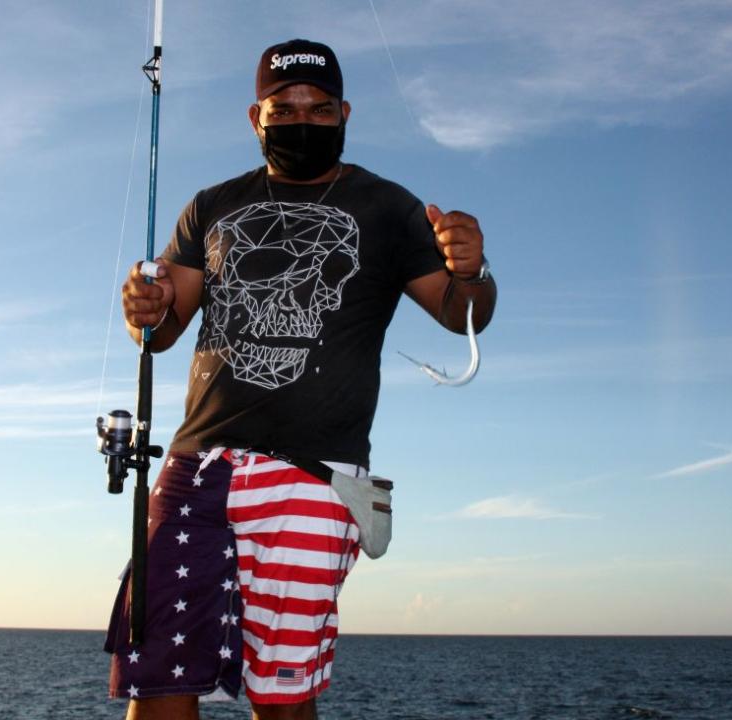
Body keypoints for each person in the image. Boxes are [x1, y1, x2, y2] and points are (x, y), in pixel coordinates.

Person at [104, 39, 497, 720]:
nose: (302, 120)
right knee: (159, 681)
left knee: (282, 700)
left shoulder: (388, 206)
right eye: (283, 108)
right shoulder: (211, 207)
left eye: (319, 109)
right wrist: (145, 305)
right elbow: (162, 327)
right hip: (198, 467)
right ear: (254, 116)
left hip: (316, 478)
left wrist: (472, 270)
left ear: (345, 113)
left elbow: (460, 313)